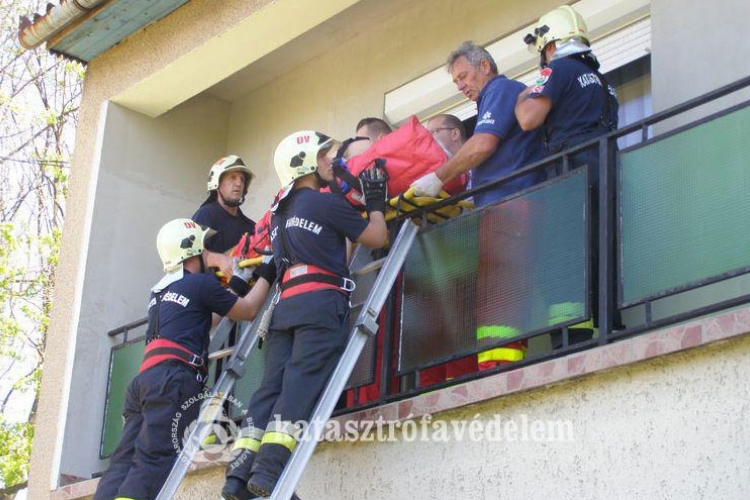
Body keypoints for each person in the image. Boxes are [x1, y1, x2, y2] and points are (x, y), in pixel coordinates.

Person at [221, 130, 388, 500]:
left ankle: (238, 473)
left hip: (285, 309)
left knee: (270, 390)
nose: (332, 162)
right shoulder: (323, 203)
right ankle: (269, 469)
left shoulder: (280, 213)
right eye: (325, 156)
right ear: (307, 163)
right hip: (320, 304)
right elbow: (377, 237)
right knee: (299, 386)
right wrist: (375, 202)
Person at [93, 218, 275, 500]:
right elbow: (249, 311)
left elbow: (206, 319)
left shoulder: (160, 290)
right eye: (204, 249)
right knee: (155, 457)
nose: (206, 255)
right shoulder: (201, 284)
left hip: (144, 383)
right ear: (192, 251)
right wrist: (267, 272)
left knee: (125, 458)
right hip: (172, 381)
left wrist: (237, 284)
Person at [411, 41, 546, 370]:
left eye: (464, 76)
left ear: (485, 66)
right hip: (507, 205)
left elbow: (483, 143)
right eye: (456, 82)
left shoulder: (499, 89)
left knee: (501, 295)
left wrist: (437, 178)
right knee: (498, 294)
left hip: (510, 204)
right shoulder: (497, 95)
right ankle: (497, 364)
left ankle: (497, 370)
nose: (461, 86)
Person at [514, 5, 619, 349]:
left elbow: (529, 119)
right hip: (605, 169)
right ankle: (608, 326)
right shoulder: (603, 82)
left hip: (569, 171)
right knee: (599, 249)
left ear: (549, 44)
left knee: (561, 254)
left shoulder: (558, 69)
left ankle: (570, 337)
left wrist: (520, 98)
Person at [193, 155, 257, 278]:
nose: (238, 183)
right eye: (232, 178)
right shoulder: (206, 215)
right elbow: (190, 254)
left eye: (242, 179)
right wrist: (218, 259)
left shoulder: (251, 227)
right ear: (217, 183)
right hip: (208, 291)